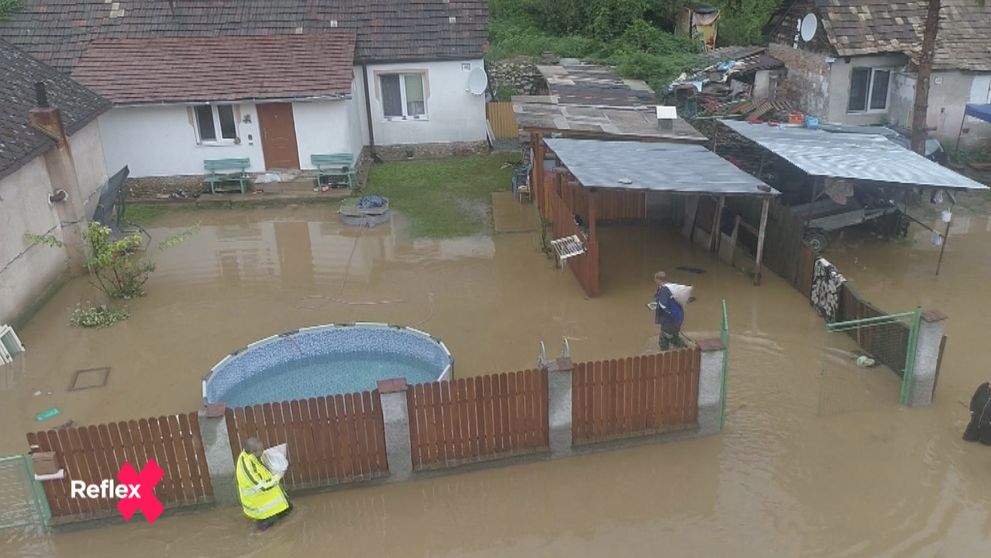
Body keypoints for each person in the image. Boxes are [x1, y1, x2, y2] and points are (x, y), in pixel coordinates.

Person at [235, 437, 291, 531]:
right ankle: (259, 530)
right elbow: (262, 487)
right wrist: (278, 476)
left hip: (267, 498)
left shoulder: (252, 456)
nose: (263, 451)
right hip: (259, 507)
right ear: (253, 451)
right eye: (261, 450)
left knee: (288, 510)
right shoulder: (247, 466)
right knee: (270, 520)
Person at [652, 271, 685, 351]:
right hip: (679, 315)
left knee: (665, 336)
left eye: (655, 280)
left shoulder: (664, 290)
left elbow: (663, 305)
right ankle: (682, 346)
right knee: (673, 333)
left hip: (671, 318)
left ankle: (665, 352)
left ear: (658, 280)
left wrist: (654, 306)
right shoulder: (671, 287)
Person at [963, 380, 991, 445]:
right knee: (966, 439)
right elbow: (974, 398)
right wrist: (972, 411)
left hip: (987, 427)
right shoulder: (983, 387)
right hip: (975, 421)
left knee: (986, 445)